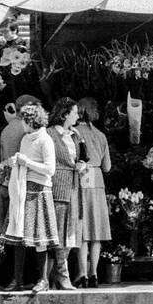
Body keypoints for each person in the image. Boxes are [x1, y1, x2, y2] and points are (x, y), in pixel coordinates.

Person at [0, 101, 58, 294]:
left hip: (39, 190)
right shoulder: (25, 139)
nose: (21, 124)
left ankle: (43, 280)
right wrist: (15, 163)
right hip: (22, 190)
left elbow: (50, 169)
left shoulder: (45, 140)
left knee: (39, 239)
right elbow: (23, 162)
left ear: (29, 120)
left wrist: (26, 162)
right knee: (19, 237)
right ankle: (18, 280)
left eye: (22, 120)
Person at [73, 97, 111, 287]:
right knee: (96, 230)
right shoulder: (101, 135)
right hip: (98, 180)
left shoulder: (74, 133)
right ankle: (94, 272)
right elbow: (107, 167)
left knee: (83, 230)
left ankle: (82, 273)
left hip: (82, 179)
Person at [47, 98, 83, 291]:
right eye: (75, 112)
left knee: (70, 234)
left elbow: (81, 158)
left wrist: (82, 166)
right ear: (64, 114)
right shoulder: (50, 134)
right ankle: (59, 274)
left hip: (73, 186)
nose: (77, 116)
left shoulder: (75, 135)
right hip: (57, 187)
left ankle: (60, 274)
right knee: (57, 234)